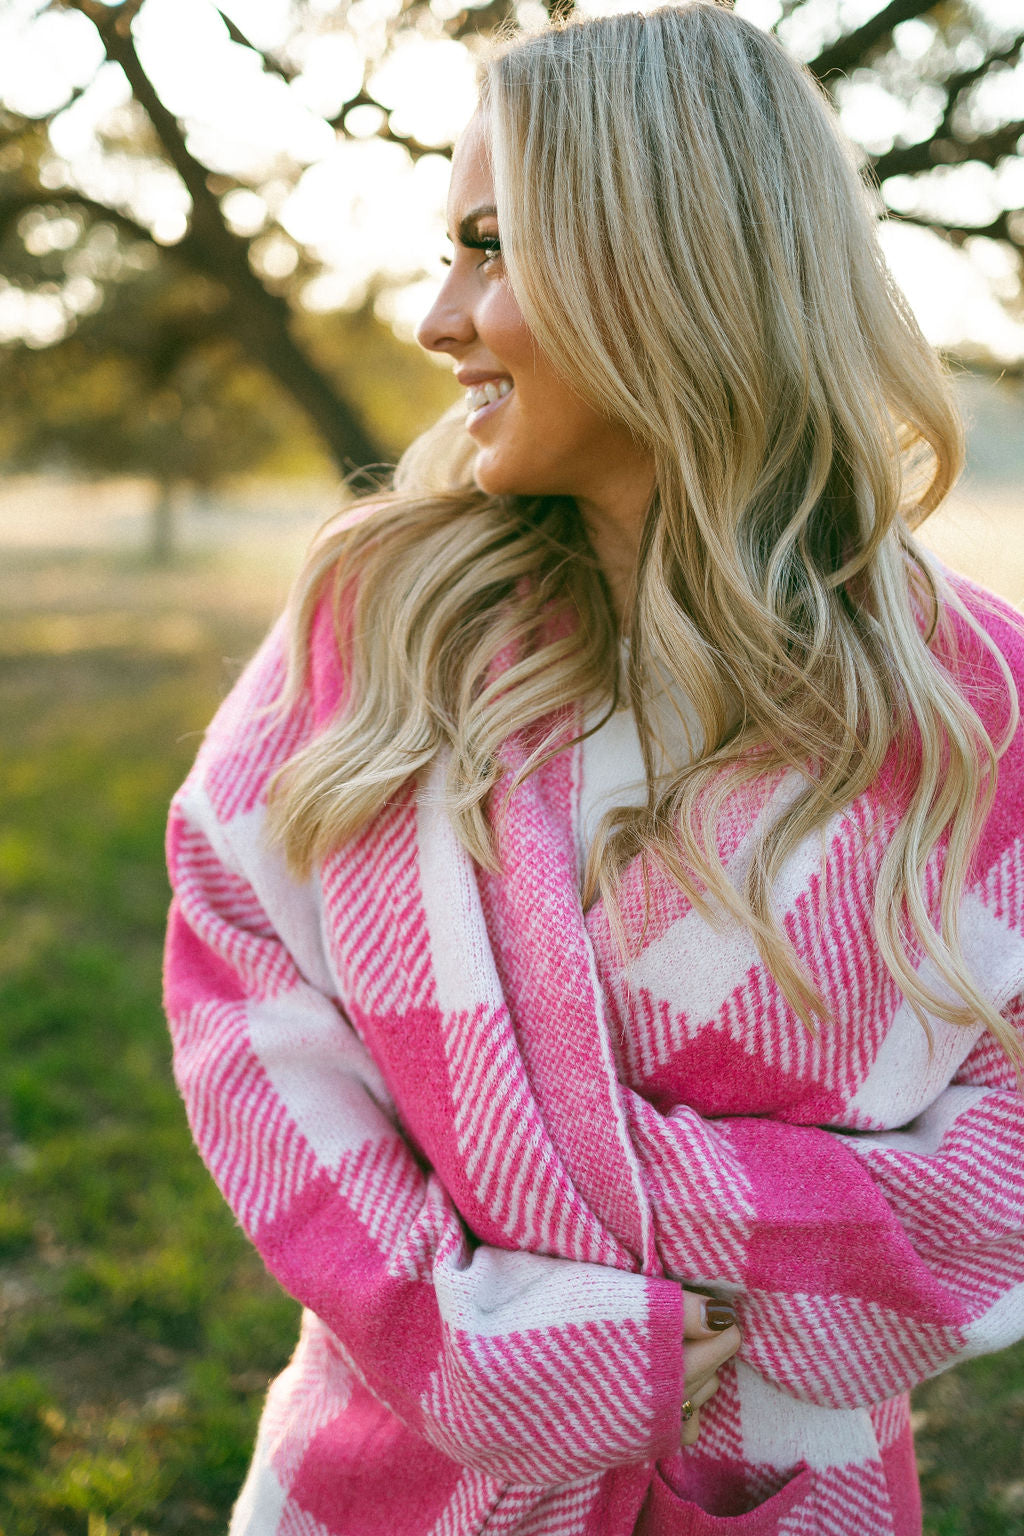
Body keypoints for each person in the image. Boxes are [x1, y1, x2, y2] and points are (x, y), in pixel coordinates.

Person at [162, 4, 1024, 1533]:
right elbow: (244, 997)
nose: (436, 316)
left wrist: (732, 1269)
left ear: (663, 264)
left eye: (491, 247)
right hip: (391, 1472)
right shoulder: (383, 630)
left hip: (783, 1471)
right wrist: (482, 1340)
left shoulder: (975, 709)